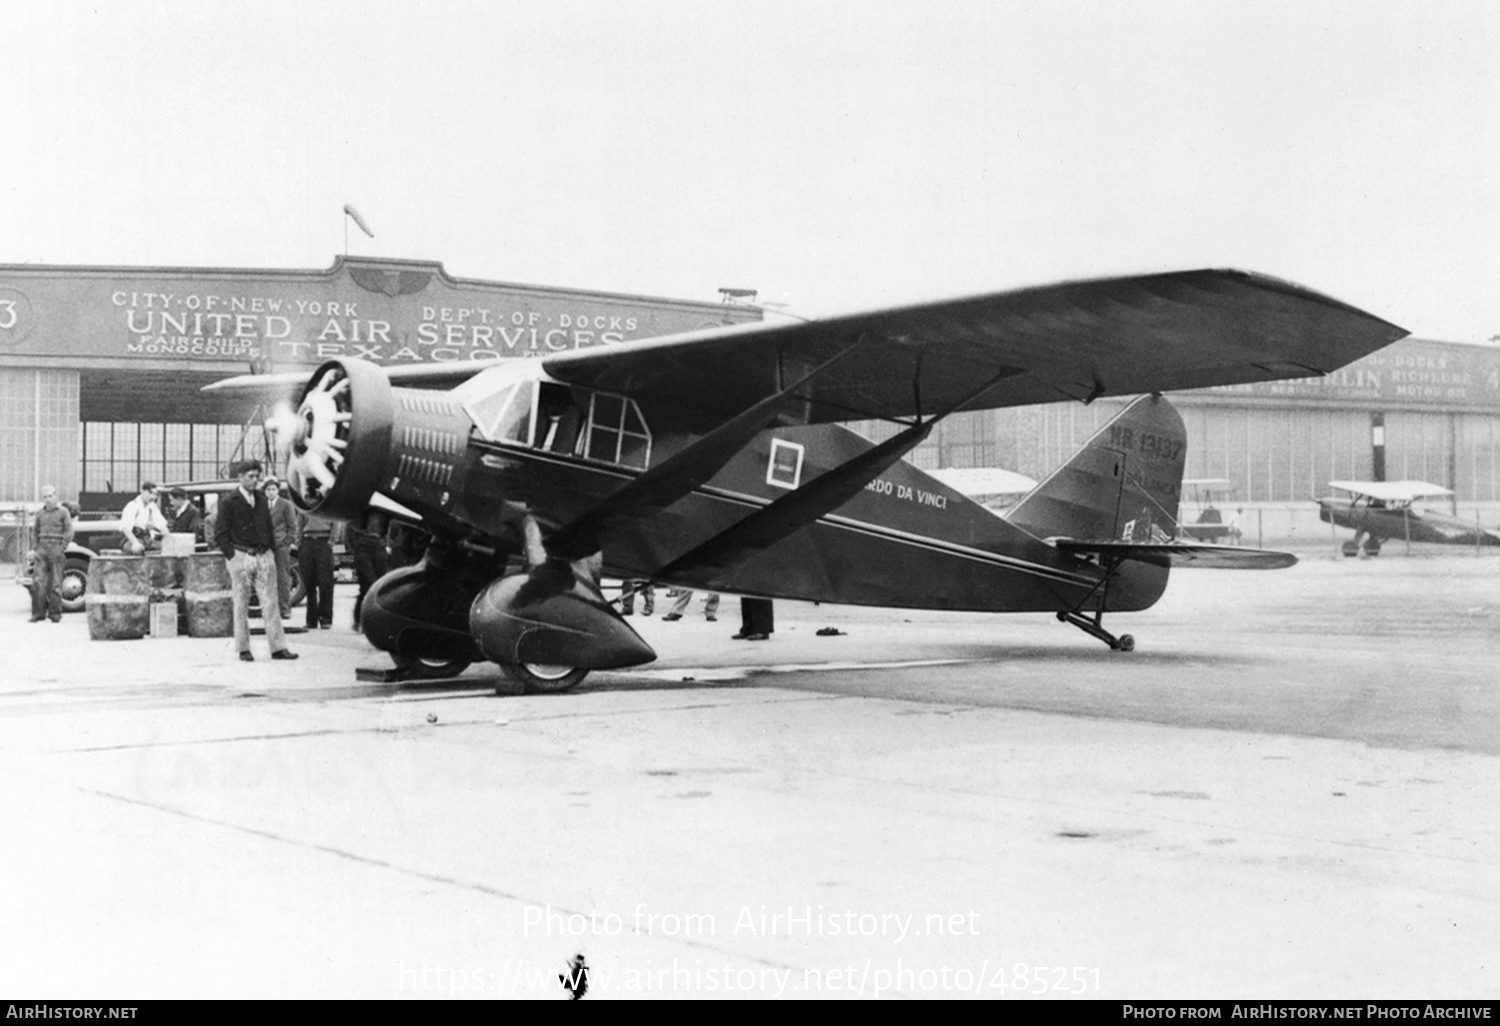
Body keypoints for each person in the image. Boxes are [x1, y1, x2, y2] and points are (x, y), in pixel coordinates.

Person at [213, 460, 297, 662]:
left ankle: (278, 648)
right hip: (241, 555)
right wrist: (233, 557)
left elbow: (267, 527)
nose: (254, 480)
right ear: (240, 477)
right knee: (241, 603)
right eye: (250, 476)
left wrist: (269, 550)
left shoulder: (260, 499)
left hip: (263, 555)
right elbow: (221, 533)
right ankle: (243, 648)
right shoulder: (228, 502)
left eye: (256, 476)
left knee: (271, 602)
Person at [29, 485, 73, 623]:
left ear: (56, 496)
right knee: (38, 582)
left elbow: (69, 530)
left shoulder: (63, 512)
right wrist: (35, 548)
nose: (47, 500)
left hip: (56, 547)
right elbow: (35, 531)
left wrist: (62, 547)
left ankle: (55, 614)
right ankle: (38, 613)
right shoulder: (39, 514)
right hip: (42, 548)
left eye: (50, 496)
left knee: (55, 583)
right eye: (45, 497)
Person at [264, 478, 299, 617]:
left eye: (273, 489)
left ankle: (285, 609)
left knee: (282, 577)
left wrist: (286, 543)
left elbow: (292, 526)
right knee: (266, 578)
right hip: (265, 547)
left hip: (280, 547)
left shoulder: (286, 505)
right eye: (268, 489)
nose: (271, 492)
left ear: (277, 490)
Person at [298, 510, 337, 630]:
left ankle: (325, 618)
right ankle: (311, 620)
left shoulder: (328, 505)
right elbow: (299, 525)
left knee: (325, 582)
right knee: (309, 583)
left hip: (323, 541)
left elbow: (336, 524)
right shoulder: (304, 506)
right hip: (307, 541)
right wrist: (300, 542)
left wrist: (331, 542)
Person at [347, 519, 389, 630]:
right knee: (368, 585)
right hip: (364, 548)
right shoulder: (361, 511)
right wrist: (357, 549)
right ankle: (360, 620)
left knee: (379, 586)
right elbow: (350, 527)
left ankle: (372, 622)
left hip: (379, 547)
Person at [119, 481, 168, 555]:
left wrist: (169, 538)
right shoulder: (132, 506)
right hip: (131, 539)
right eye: (150, 493)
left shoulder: (152, 507)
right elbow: (125, 528)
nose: (153, 497)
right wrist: (135, 542)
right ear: (142, 491)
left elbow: (161, 524)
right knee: (138, 549)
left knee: (166, 547)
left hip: (147, 539)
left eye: (155, 494)